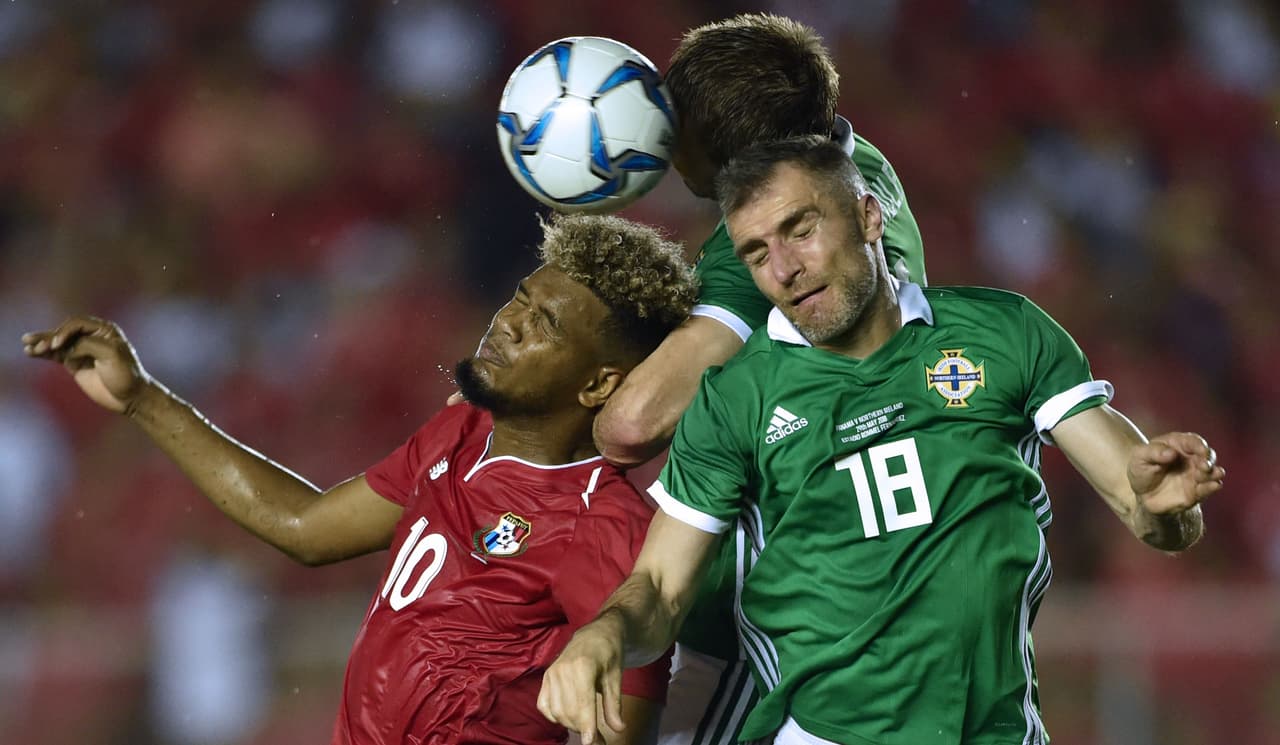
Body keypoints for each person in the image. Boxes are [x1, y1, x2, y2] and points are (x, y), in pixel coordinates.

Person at [537, 136, 1224, 745]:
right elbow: (658, 586)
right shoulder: (737, 398)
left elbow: (1148, 511)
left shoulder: (1006, 333)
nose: (784, 268)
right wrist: (607, 631)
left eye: (799, 230)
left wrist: (1168, 507)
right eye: (756, 253)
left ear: (869, 216)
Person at [22, 213, 700, 745]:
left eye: (545, 324)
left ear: (599, 382)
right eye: (521, 298)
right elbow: (304, 527)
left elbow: (624, 727)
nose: (511, 322)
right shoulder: (457, 436)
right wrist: (141, 395)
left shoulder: (606, 531)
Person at [595, 15, 926, 745]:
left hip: (770, 589)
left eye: (676, 131)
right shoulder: (854, 166)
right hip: (864, 544)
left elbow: (632, 424)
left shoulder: (774, 256)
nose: (664, 146)